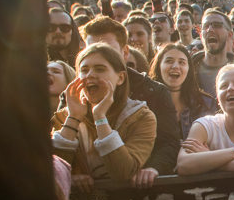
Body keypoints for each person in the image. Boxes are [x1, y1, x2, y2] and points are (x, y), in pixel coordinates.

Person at [78, 16, 181, 187]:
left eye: (107, 49)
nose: (97, 54)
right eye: (91, 48)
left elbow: (169, 141)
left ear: (125, 53)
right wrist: (71, 173)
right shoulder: (74, 94)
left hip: (139, 191)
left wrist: (155, 168)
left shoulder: (154, 92)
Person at [51, 44, 157, 190]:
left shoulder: (141, 117)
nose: (90, 75)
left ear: (120, 78)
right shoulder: (64, 117)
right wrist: (74, 117)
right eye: (84, 70)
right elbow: (52, 173)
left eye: (100, 69)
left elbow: (123, 172)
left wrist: (100, 117)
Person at [150, 43, 216, 140]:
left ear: (189, 69)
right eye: (169, 61)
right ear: (159, 66)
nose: (175, 66)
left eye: (182, 62)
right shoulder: (146, 103)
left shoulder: (206, 104)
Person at [193, 9, 234, 97]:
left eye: (217, 25)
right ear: (201, 36)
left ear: (229, 35)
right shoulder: (189, 70)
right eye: (206, 26)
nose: (210, 30)